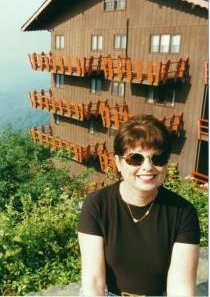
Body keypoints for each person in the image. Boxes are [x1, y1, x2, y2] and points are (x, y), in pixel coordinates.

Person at [78, 114, 200, 296]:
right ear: (118, 163)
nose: (148, 167)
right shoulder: (97, 205)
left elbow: (181, 286)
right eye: (136, 158)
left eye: (157, 158)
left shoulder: (183, 213)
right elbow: (94, 282)